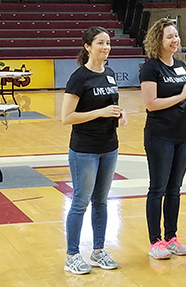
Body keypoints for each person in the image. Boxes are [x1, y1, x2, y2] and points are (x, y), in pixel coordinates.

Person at [140, 18, 186, 260]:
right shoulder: (150, 68)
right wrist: (183, 94)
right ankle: (155, 241)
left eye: (176, 36)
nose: (175, 40)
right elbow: (151, 104)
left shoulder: (182, 66)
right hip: (159, 135)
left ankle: (171, 237)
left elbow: (182, 102)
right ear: (158, 41)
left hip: (183, 134)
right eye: (170, 36)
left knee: (175, 189)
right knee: (157, 188)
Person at [62, 26, 127, 275]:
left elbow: (111, 102)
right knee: (80, 201)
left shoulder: (110, 74)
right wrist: (99, 113)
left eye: (108, 43)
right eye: (100, 43)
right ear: (88, 46)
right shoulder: (79, 77)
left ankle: (98, 251)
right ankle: (72, 255)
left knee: (101, 201)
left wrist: (119, 114)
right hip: (85, 150)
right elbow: (66, 117)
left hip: (109, 147)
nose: (106, 47)